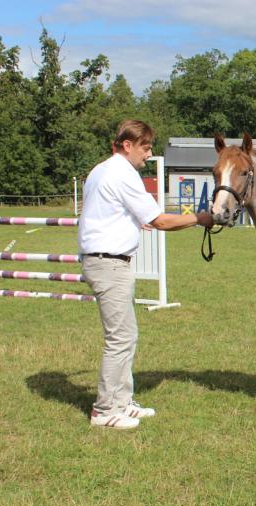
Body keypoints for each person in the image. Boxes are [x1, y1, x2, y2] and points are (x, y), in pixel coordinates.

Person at [79, 119, 213, 429]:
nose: (148, 154)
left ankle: (123, 402)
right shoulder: (123, 175)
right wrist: (199, 218)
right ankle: (104, 410)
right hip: (109, 263)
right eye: (146, 147)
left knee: (127, 335)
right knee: (120, 338)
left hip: (106, 260)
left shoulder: (100, 170)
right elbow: (157, 220)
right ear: (127, 145)